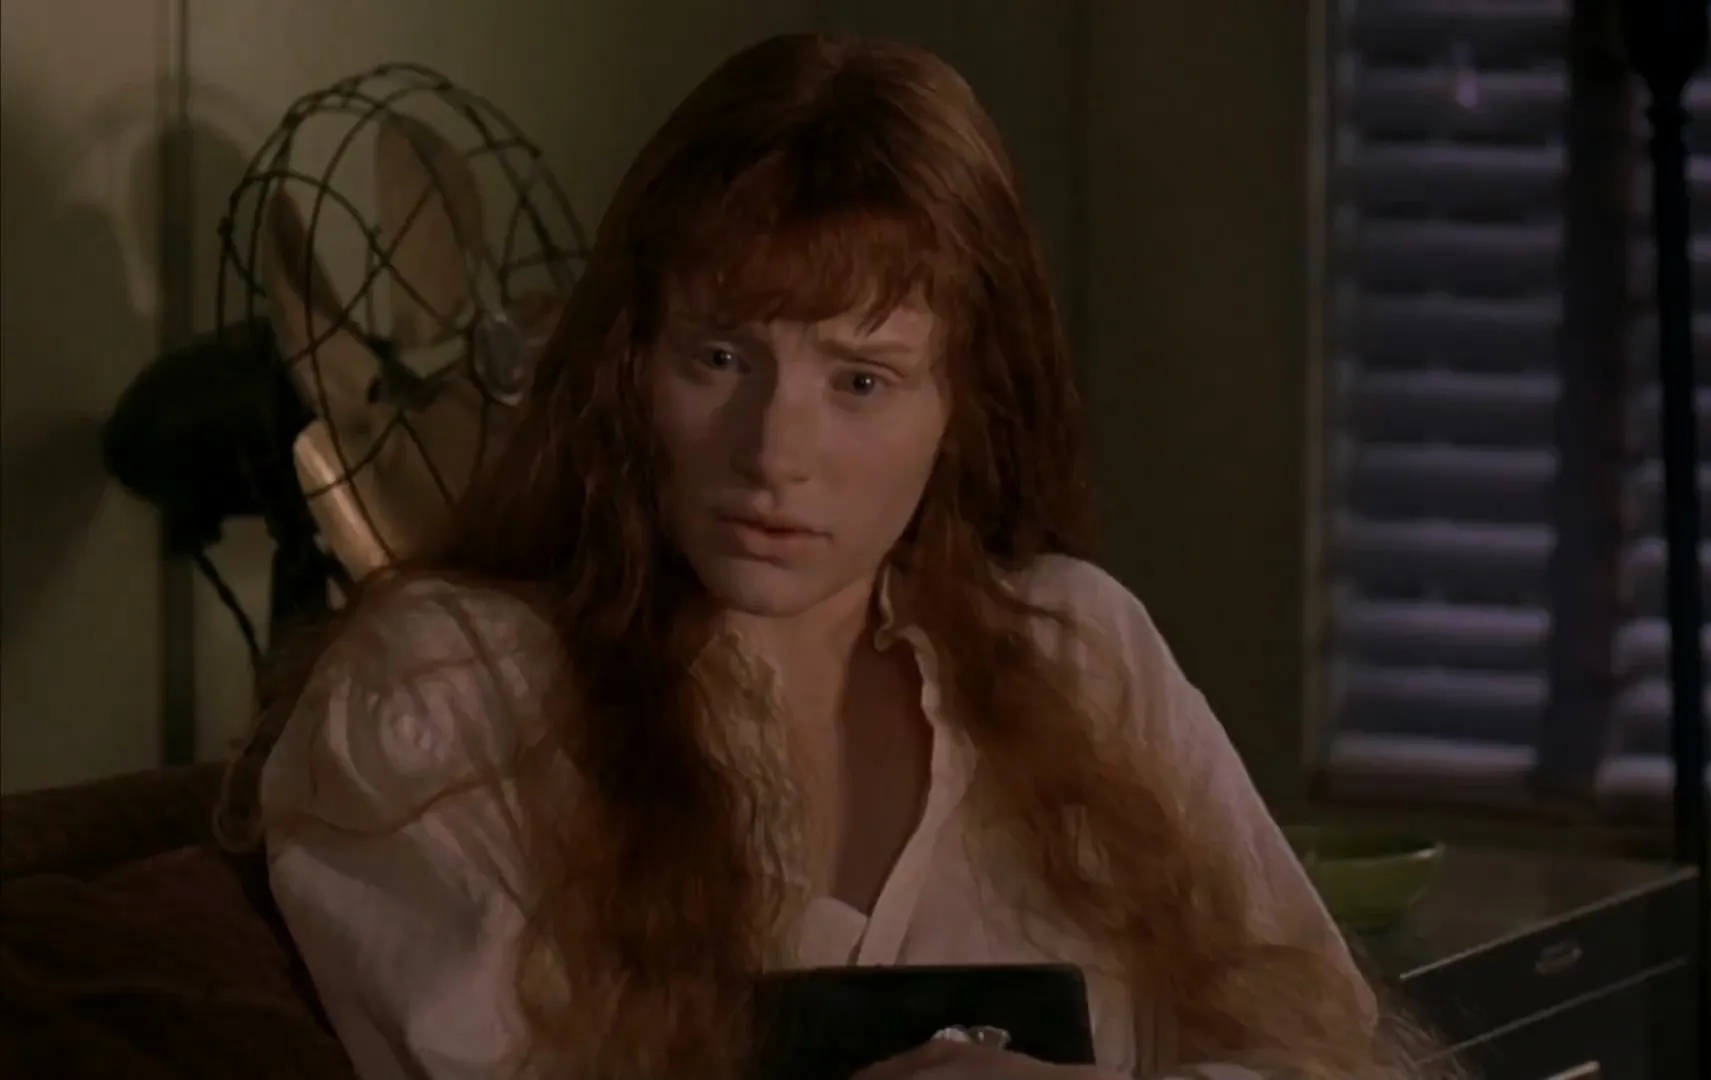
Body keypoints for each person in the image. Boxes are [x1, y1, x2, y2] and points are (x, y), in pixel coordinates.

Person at [223, 32, 1450, 1080]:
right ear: (628, 364)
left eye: (862, 380)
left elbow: (1325, 1052)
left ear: (963, 405)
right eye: (720, 359)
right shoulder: (449, 693)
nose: (774, 453)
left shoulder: (1078, 649)